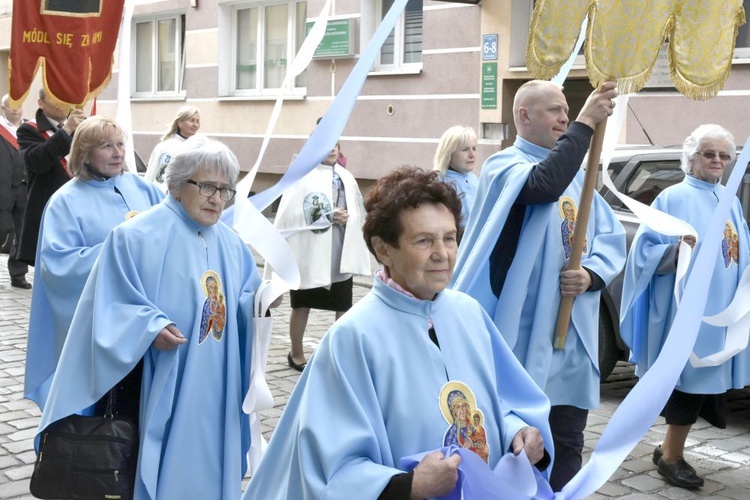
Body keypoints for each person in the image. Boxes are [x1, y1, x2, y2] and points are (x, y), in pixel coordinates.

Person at [243, 166, 552, 499]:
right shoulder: (352, 337)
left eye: (449, 238)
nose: (442, 254)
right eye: (424, 241)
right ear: (383, 249)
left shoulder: (468, 313)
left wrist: (517, 432)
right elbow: (329, 468)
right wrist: (411, 485)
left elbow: (497, 404)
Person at [36, 135, 261, 499]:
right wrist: (149, 327)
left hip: (213, 383)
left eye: (225, 190)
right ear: (175, 184)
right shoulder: (134, 236)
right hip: (152, 383)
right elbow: (104, 308)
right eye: (206, 186)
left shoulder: (230, 243)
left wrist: (260, 305)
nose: (217, 199)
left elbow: (243, 297)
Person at [451, 80, 626, 492]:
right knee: (521, 444)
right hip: (522, 342)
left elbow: (610, 238)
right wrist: (586, 123)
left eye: (568, 110)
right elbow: (543, 186)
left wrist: (591, 275)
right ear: (524, 117)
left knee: (567, 442)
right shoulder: (503, 168)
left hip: (572, 339)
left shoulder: (578, 179)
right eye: (555, 110)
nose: (565, 117)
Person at [620, 124, 750, 489]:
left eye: (724, 155)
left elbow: (736, 250)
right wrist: (678, 250)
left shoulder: (730, 200)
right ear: (691, 158)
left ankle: (669, 450)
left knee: (704, 383)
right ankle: (671, 456)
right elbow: (643, 252)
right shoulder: (673, 198)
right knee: (686, 382)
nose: (717, 161)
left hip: (720, 313)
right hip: (686, 314)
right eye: (709, 154)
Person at [24, 116, 164, 411]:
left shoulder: (143, 189)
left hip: (149, 316)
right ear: (83, 153)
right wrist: (116, 249)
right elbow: (60, 266)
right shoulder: (65, 202)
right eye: (106, 146)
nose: (117, 153)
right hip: (103, 321)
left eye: (120, 144)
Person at [270, 142, 370, 371]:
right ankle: (295, 353)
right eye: (326, 145)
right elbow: (290, 216)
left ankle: (338, 354)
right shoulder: (303, 176)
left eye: (335, 145)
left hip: (338, 250)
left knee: (343, 305)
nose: (332, 149)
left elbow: (358, 211)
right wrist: (325, 216)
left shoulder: (346, 176)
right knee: (303, 303)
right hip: (310, 252)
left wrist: (348, 219)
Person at [15, 88, 86, 266]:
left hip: (78, 206)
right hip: (48, 205)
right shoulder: (28, 130)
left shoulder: (81, 127)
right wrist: (67, 129)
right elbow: (37, 161)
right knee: (47, 267)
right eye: (56, 99)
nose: (62, 104)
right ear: (41, 103)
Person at [0, 94, 30, 288]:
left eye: (19, 105)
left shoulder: (29, 129)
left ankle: (18, 275)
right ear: (3, 109)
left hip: (25, 187)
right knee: (1, 230)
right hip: (3, 188)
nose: (16, 109)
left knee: (22, 231)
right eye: (11, 106)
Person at [145, 105, 200, 191]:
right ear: (180, 123)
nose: (195, 125)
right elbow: (151, 176)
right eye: (191, 120)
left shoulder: (198, 149)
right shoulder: (165, 147)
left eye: (197, 121)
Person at [433, 125, 479, 226]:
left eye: (474, 148)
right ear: (449, 153)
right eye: (465, 149)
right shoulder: (442, 184)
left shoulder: (474, 179)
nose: (472, 154)